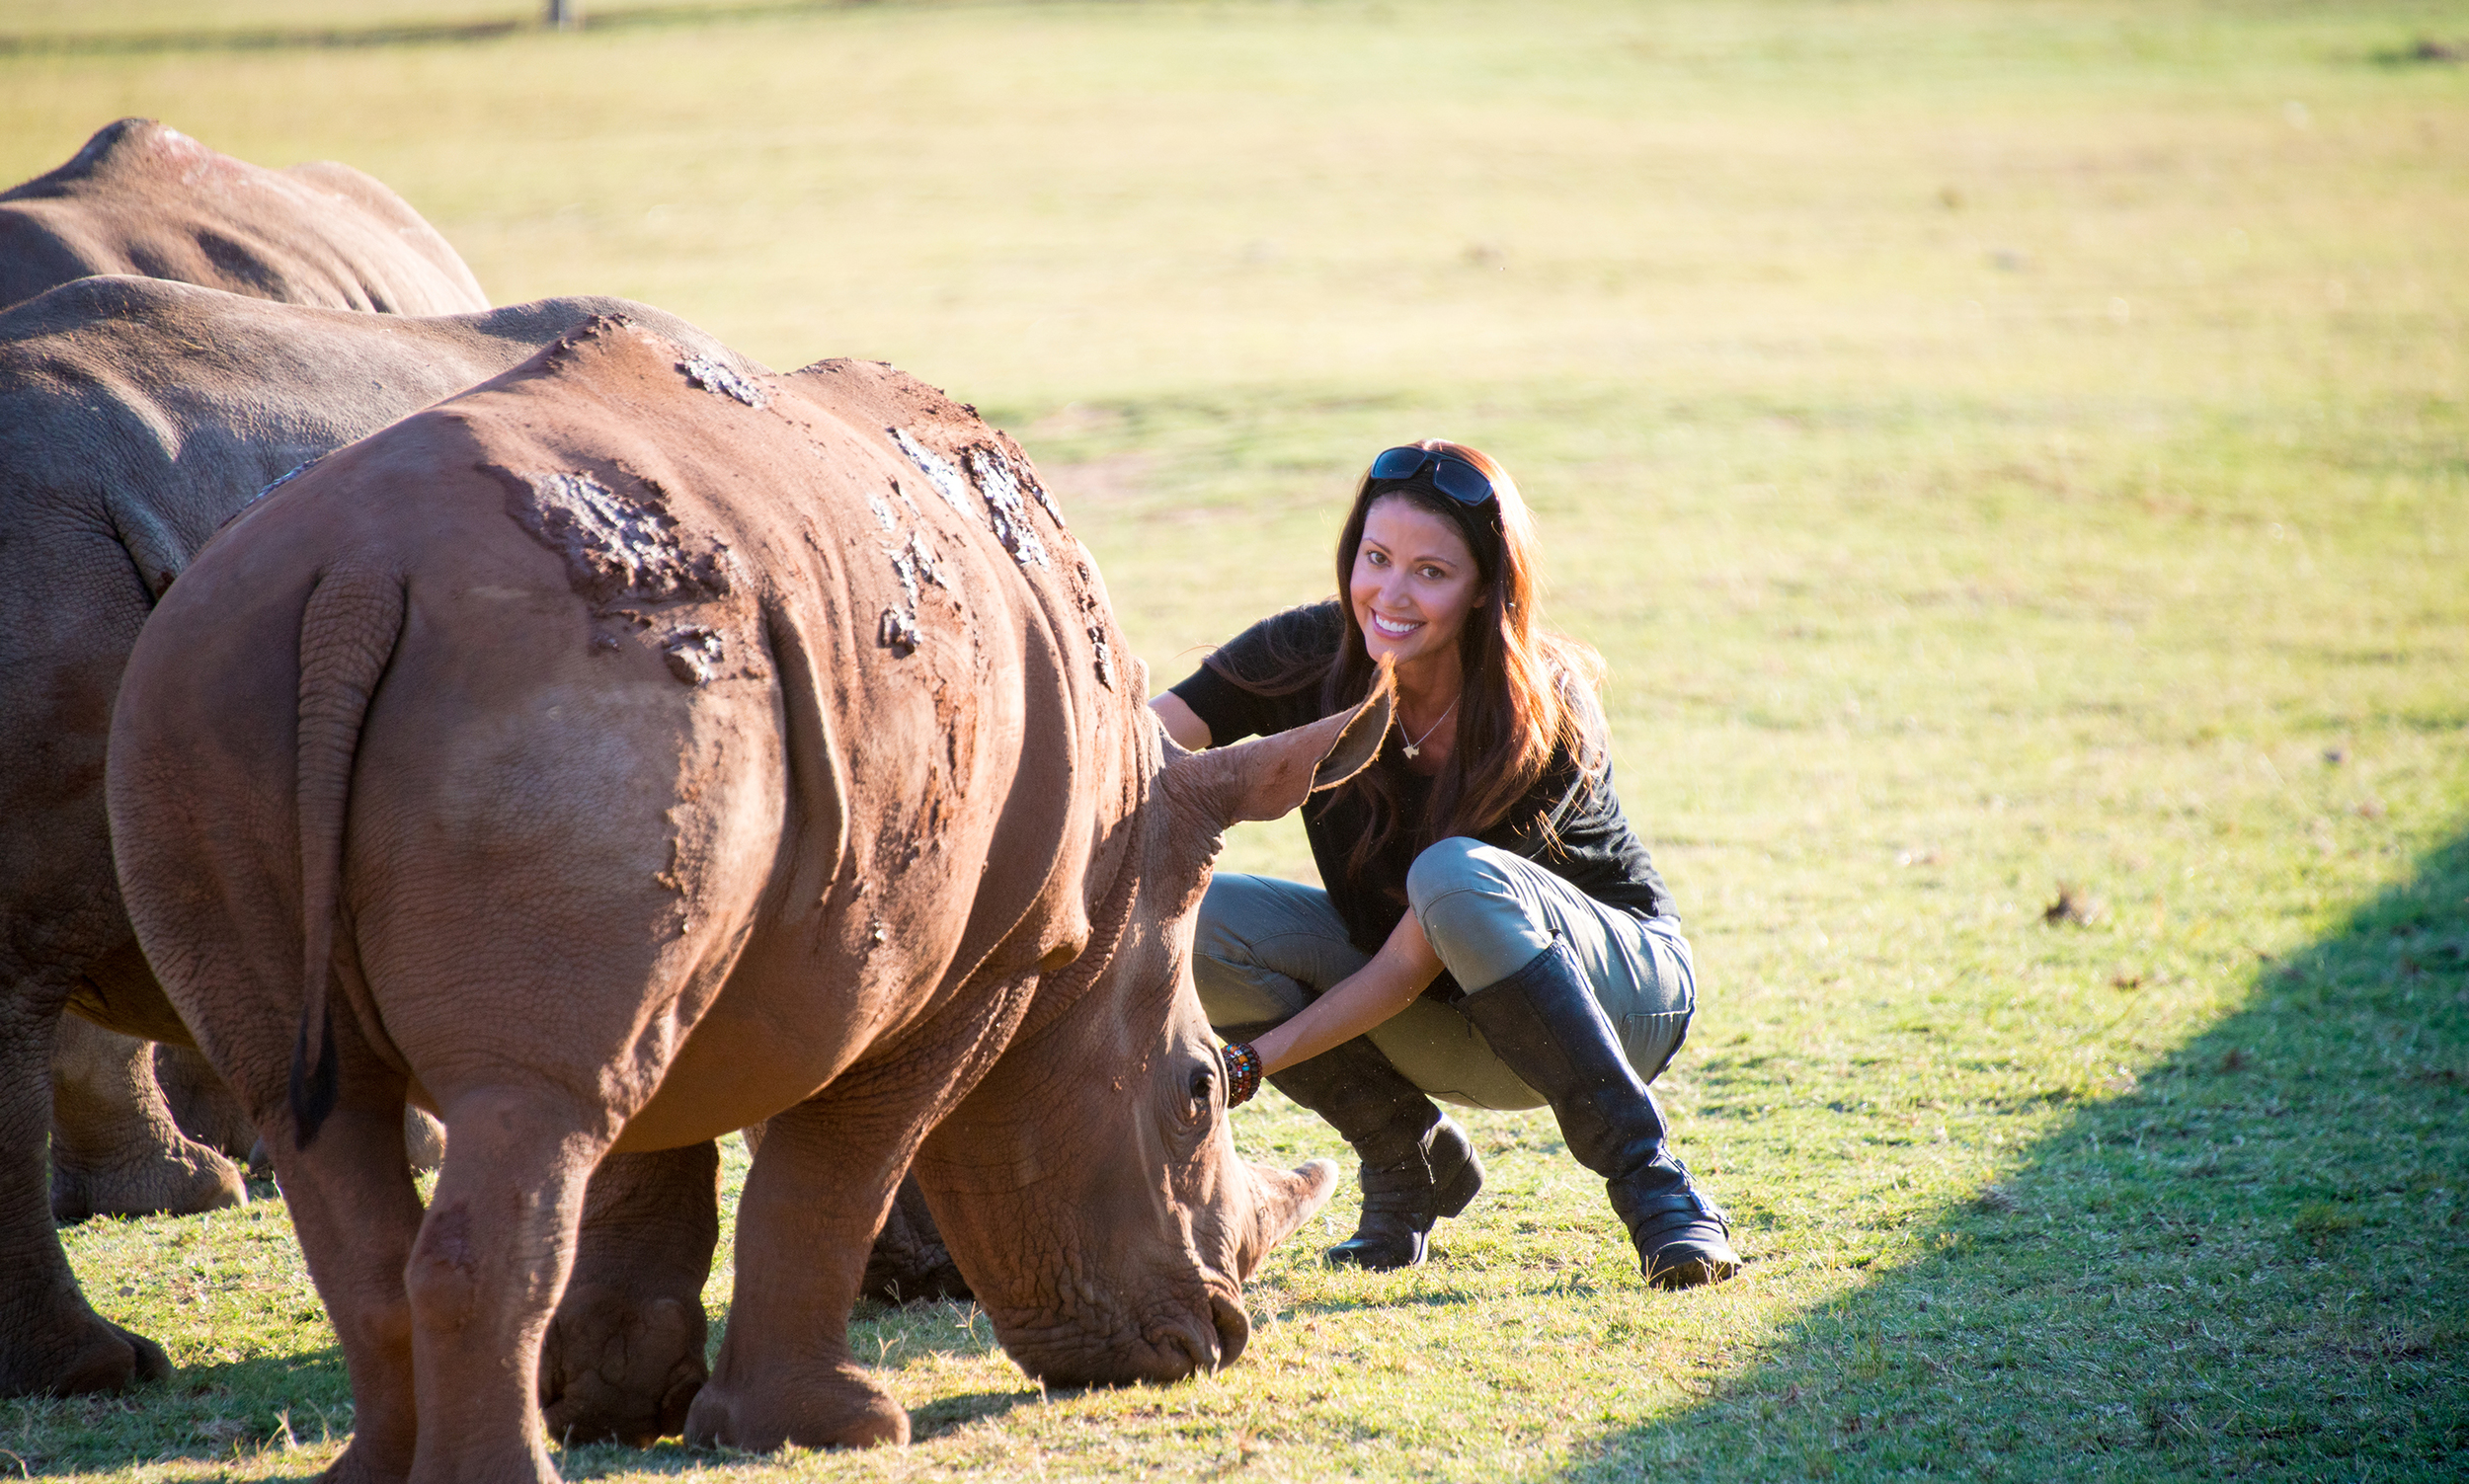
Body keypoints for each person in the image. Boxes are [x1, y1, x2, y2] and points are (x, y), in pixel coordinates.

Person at [1150, 440, 1738, 1288]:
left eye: (1431, 571)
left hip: (1620, 999)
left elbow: (1407, 959)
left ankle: (1662, 1194)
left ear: (1485, 590)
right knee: (1196, 927)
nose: (1389, 594)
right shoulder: (1310, 652)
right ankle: (1408, 1158)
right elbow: (1138, 743)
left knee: (1452, 874)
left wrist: (1253, 1059)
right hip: (1446, 1018)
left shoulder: (1545, 708)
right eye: (1375, 557)